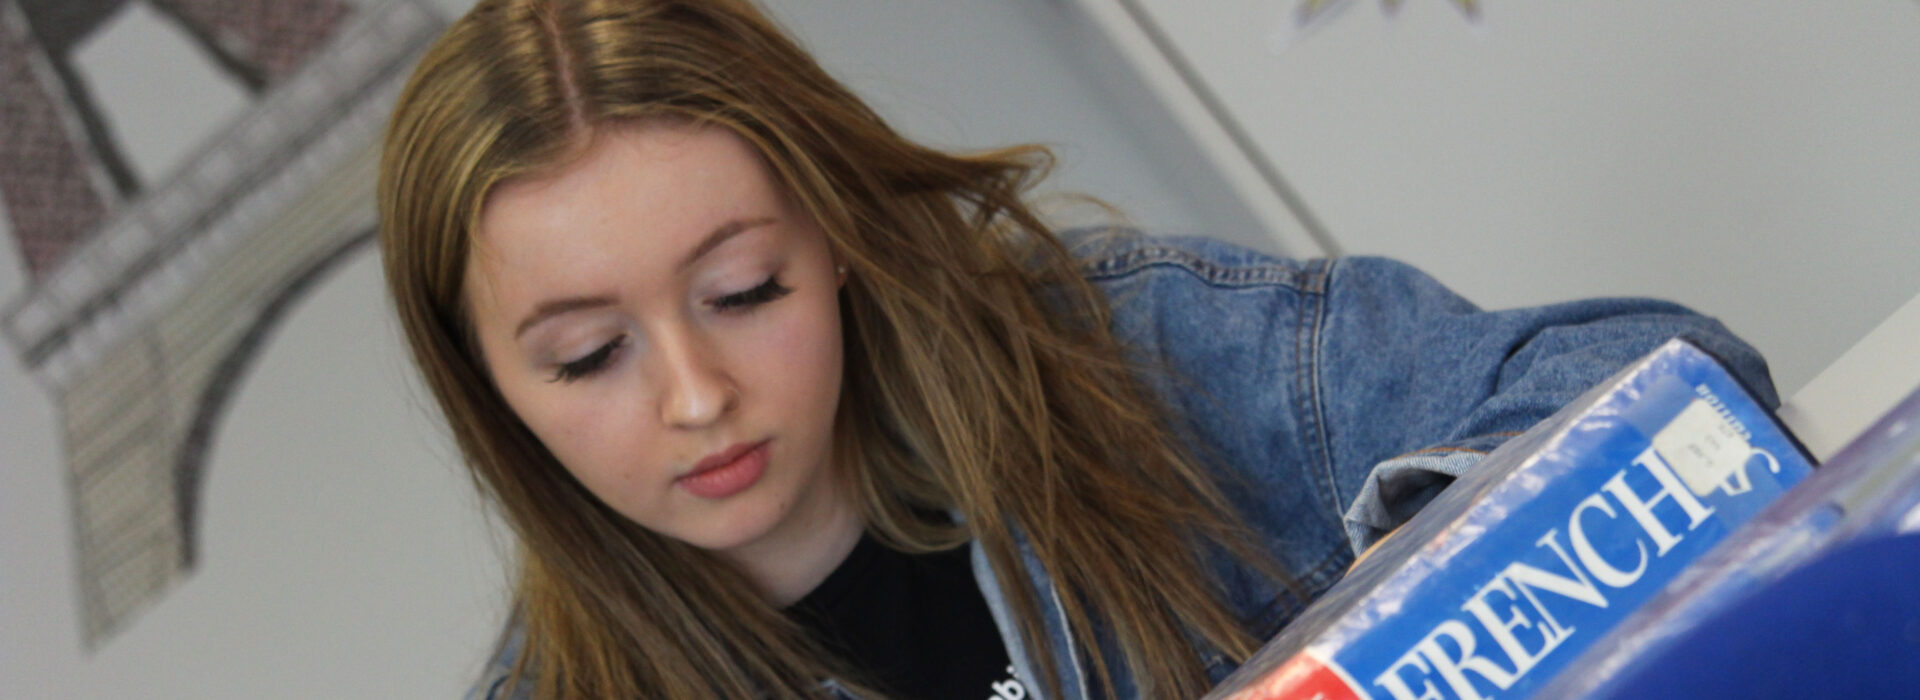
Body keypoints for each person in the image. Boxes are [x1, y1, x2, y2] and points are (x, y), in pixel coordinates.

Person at [375, 1, 1776, 698]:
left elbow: (1678, 396)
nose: (697, 398)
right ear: (488, 388)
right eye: (583, 358)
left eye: (744, 288)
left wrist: (1385, 647)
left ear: (841, 232)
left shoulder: (1134, 350)